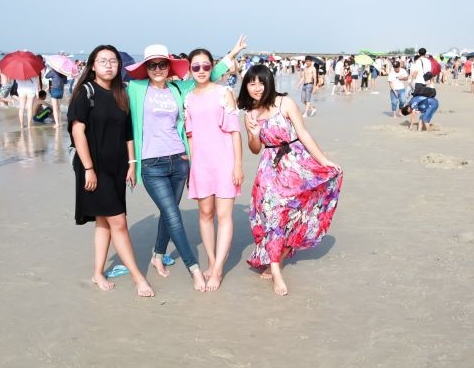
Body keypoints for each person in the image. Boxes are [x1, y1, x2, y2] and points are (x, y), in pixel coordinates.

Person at [125, 36, 245, 292]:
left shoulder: (179, 89)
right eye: (152, 65)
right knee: (172, 214)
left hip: (179, 161)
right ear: (145, 68)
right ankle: (194, 268)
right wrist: (129, 161)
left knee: (168, 213)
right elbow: (115, 109)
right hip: (151, 163)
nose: (158, 69)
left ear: (170, 66)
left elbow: (207, 75)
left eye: (162, 64)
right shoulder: (135, 88)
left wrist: (231, 55)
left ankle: (158, 255)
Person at [237, 64, 343, 296]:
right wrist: (253, 134)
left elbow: (303, 134)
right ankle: (276, 271)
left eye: (261, 82)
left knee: (294, 213)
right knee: (271, 214)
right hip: (269, 168)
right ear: (246, 86)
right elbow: (255, 149)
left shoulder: (285, 103)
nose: (257, 88)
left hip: (296, 164)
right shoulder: (250, 114)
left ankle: (279, 256)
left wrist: (324, 160)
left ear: (269, 83)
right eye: (251, 83)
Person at [67, 44, 154, 297]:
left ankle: (97, 273)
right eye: (103, 61)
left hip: (117, 167)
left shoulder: (120, 94)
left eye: (113, 61)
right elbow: (77, 131)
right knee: (119, 221)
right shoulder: (86, 92)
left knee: (104, 221)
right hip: (94, 167)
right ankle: (138, 278)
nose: (108, 65)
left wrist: (132, 164)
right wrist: (88, 168)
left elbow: (128, 133)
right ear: (92, 65)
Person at [184, 48, 244, 291]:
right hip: (200, 164)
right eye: (196, 67)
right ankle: (210, 260)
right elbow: (190, 136)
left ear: (212, 67)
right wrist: (191, 168)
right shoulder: (188, 98)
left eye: (206, 66)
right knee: (205, 214)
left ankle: (218, 269)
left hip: (225, 162)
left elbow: (235, 131)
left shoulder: (224, 92)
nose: (201, 70)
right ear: (190, 69)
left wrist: (238, 165)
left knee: (224, 216)